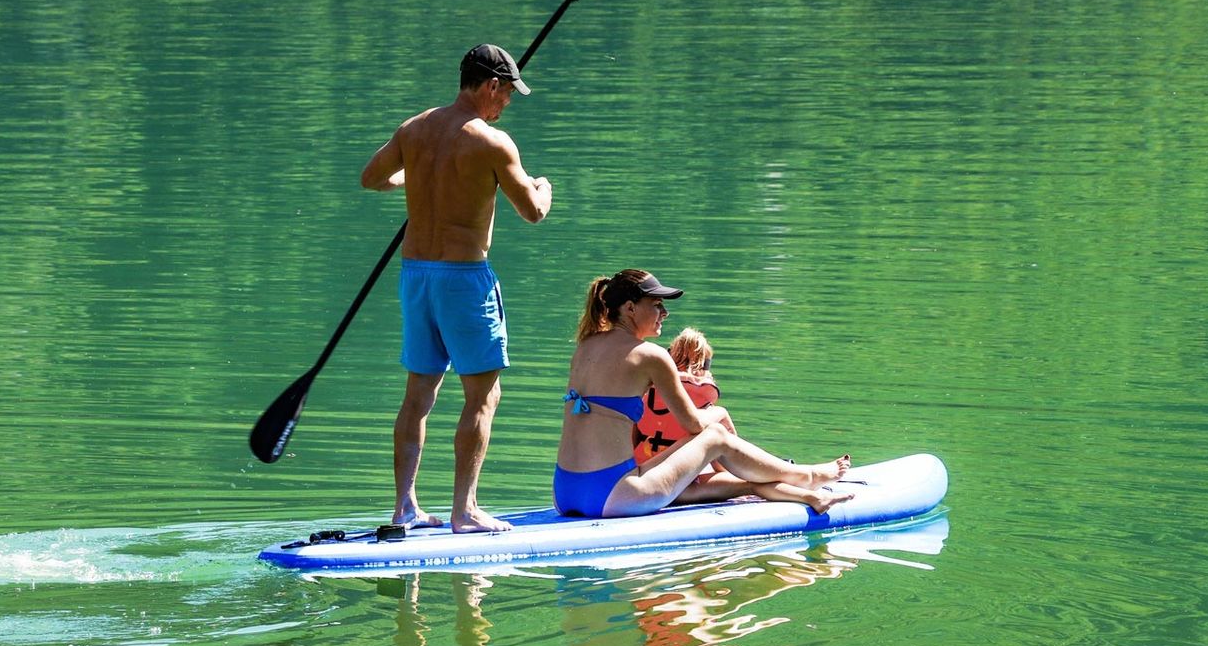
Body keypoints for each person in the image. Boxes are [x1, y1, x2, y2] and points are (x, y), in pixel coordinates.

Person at [361, 43, 554, 533]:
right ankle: (464, 511)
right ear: (490, 85)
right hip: (463, 280)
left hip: (415, 276)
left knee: (417, 395)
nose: (507, 102)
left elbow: (372, 179)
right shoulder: (493, 143)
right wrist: (543, 187)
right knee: (483, 397)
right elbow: (531, 212)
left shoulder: (415, 127)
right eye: (507, 92)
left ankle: (404, 506)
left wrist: (421, 179)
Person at [553, 269, 854, 519]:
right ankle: (804, 475)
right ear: (630, 308)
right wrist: (717, 413)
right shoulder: (651, 356)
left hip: (564, 493)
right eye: (656, 304)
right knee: (715, 436)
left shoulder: (585, 347)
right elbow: (694, 426)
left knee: (705, 447)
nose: (665, 313)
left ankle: (788, 481)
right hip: (613, 497)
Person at [633, 327, 723, 468]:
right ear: (705, 365)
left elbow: (632, 437)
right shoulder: (705, 399)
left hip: (642, 464)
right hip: (680, 472)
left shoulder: (647, 391)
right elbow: (721, 461)